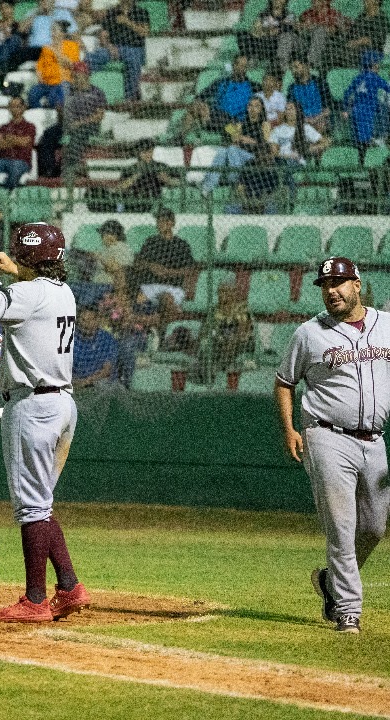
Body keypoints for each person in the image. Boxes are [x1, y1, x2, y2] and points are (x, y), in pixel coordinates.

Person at [0, 220, 91, 623]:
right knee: (42, 504)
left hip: (32, 406)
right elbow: (20, 294)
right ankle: (69, 585)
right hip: (63, 403)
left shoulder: (28, 293)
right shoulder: (62, 290)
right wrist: (14, 272)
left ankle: (35, 599)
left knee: (32, 507)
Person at [277, 257, 390, 635]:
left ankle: (330, 581)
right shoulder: (309, 334)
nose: (332, 291)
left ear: (357, 285)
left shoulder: (386, 325)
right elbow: (284, 381)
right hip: (326, 435)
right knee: (342, 528)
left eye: (339, 282)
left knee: (374, 527)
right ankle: (347, 610)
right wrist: (290, 428)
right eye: (326, 285)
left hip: (374, 440)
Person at [130, 208, 197, 320]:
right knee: (139, 299)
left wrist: (168, 272)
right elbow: (137, 263)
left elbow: (190, 270)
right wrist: (151, 266)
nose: (160, 224)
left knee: (166, 298)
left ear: (172, 223)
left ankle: (168, 326)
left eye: (164, 221)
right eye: (158, 221)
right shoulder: (150, 242)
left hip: (173, 287)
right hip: (151, 285)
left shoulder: (181, 245)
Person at [200, 95, 269, 196]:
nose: (252, 109)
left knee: (232, 149)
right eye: (250, 106)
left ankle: (234, 178)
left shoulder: (264, 124)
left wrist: (249, 140)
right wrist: (236, 135)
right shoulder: (241, 123)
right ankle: (207, 187)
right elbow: (234, 138)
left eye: (256, 106)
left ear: (261, 109)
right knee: (222, 151)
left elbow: (265, 145)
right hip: (238, 155)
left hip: (253, 157)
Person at [194, 281, 254, 383]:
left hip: (241, 342)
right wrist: (216, 337)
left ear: (234, 293)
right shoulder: (213, 310)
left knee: (231, 341)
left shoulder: (242, 308)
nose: (222, 295)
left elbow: (244, 330)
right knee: (210, 344)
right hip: (218, 340)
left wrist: (231, 337)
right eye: (220, 292)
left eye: (226, 291)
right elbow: (205, 331)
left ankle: (219, 370)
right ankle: (210, 372)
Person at [88, 0, 148, 101]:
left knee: (133, 59)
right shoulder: (111, 13)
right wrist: (109, 46)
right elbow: (103, 34)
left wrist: (127, 22)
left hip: (134, 48)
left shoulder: (141, 12)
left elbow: (144, 32)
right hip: (115, 48)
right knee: (94, 56)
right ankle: (86, 91)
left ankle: (130, 99)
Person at [344, 51, 390, 161]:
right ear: (373, 64)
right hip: (368, 111)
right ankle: (363, 161)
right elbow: (388, 88)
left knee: (359, 138)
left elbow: (347, 94)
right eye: (377, 63)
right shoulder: (375, 77)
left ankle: (361, 159)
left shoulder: (359, 77)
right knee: (365, 140)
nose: (379, 65)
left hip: (356, 110)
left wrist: (345, 110)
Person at [63, 63, 106, 178]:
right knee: (49, 133)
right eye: (74, 77)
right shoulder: (71, 93)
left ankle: (72, 168)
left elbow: (99, 116)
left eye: (77, 76)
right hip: (72, 125)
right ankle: (48, 171)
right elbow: (68, 115)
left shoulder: (97, 93)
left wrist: (80, 123)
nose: (75, 79)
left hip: (90, 126)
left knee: (79, 133)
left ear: (85, 76)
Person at [0, 96, 36, 189]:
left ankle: (7, 195)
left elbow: (24, 142)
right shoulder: (3, 127)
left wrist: (7, 138)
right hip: (3, 160)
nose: (14, 109)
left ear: (23, 108)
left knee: (15, 168)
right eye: (11, 106)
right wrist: (15, 140)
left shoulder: (29, 126)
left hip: (21, 161)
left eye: (17, 106)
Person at [116, 139, 180, 212]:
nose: (148, 154)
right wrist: (136, 175)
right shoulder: (130, 169)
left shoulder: (160, 166)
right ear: (138, 153)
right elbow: (120, 187)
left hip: (156, 200)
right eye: (144, 152)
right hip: (135, 201)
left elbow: (179, 182)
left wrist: (167, 180)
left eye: (150, 151)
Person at [28, 21, 80, 109]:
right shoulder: (46, 48)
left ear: (62, 34)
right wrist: (39, 75)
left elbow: (71, 64)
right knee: (32, 94)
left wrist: (54, 51)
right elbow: (39, 66)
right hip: (45, 83)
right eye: (51, 31)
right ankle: (41, 111)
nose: (52, 33)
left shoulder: (72, 46)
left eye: (55, 31)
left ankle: (53, 110)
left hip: (62, 82)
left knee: (54, 97)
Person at [201, 54, 256, 126]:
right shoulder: (221, 82)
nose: (242, 69)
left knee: (231, 127)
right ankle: (181, 135)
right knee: (195, 108)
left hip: (236, 121)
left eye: (244, 66)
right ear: (233, 66)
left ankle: (234, 133)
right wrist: (202, 105)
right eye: (240, 65)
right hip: (215, 117)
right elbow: (203, 95)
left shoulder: (253, 86)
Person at [71, 304, 117, 389]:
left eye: (90, 320)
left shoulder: (106, 339)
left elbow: (107, 370)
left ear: (97, 320)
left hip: (101, 381)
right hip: (75, 380)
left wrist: (86, 382)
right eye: (83, 320)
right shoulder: (69, 339)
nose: (86, 324)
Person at [296, 0, 345, 70]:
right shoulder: (308, 13)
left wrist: (314, 26)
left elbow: (333, 30)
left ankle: (310, 64)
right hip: (306, 39)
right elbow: (298, 25)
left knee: (320, 31)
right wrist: (302, 26)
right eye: (313, 1)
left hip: (327, 41)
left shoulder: (333, 13)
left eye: (317, 1)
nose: (313, 2)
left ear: (324, 2)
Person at [288, 59, 333, 133]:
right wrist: (305, 119)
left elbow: (329, 108)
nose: (293, 71)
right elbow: (290, 110)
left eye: (296, 67)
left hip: (320, 119)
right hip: (302, 121)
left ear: (306, 66)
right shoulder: (291, 88)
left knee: (321, 125)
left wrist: (316, 118)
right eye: (291, 69)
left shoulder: (320, 83)